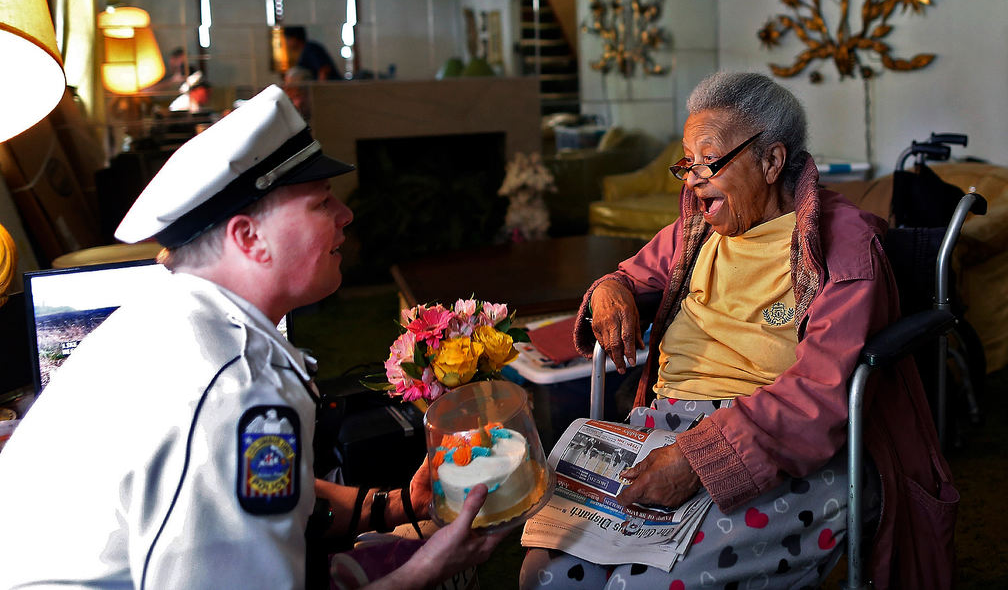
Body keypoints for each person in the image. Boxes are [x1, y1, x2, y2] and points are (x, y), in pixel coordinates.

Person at [0, 85, 503, 588]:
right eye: (321, 202)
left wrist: (396, 505)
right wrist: (424, 572)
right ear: (248, 237)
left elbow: (257, 491)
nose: (346, 216)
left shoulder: (168, 315)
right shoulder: (235, 388)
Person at [521, 72, 957, 589]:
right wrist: (612, 287)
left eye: (708, 162)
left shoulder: (840, 245)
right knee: (545, 577)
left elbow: (818, 395)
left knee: (639, 586)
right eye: (686, 163)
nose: (690, 180)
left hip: (779, 447)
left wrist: (698, 460)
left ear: (772, 161)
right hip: (661, 426)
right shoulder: (694, 232)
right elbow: (629, 274)